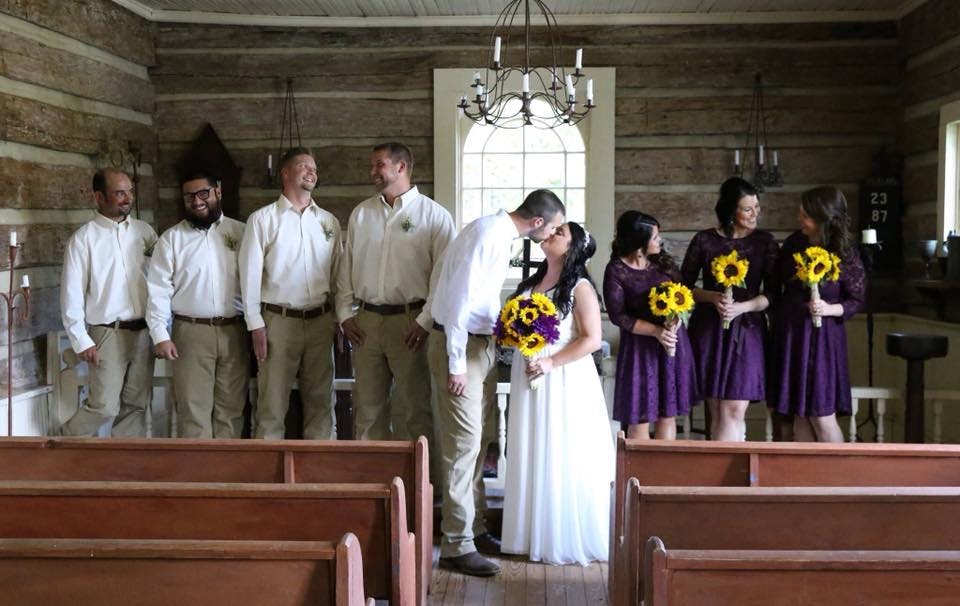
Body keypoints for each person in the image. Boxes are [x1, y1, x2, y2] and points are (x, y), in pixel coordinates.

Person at [428, 189, 565, 577]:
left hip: (481, 345)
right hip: (460, 350)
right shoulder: (488, 234)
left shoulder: (500, 234)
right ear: (537, 222)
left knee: (481, 440)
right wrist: (456, 364)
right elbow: (457, 302)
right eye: (553, 227)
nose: (553, 234)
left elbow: (478, 298)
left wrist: (502, 328)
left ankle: (475, 528)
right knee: (463, 445)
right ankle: (456, 544)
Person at [501, 222, 614, 565]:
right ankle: (527, 534)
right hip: (529, 372)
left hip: (564, 377)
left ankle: (559, 536)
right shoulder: (531, 285)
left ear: (573, 248)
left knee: (559, 448)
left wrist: (551, 362)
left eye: (559, 232)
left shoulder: (580, 288)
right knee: (531, 446)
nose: (550, 234)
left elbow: (592, 339)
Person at [336, 142, 455, 455]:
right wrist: (344, 314)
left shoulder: (434, 216)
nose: (372, 171)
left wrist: (424, 320)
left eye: (379, 164)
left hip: (411, 322)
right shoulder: (362, 214)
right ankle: (371, 478)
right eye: (372, 165)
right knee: (367, 409)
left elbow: (443, 277)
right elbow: (346, 267)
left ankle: (417, 480)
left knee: (413, 409)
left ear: (401, 167)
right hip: (366, 321)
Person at [239, 147, 342, 439]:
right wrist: (255, 323)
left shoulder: (328, 222)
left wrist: (340, 318)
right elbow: (249, 274)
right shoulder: (263, 220)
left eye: (314, 168)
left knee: (321, 402)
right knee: (272, 402)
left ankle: (318, 465)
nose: (312, 172)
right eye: (304, 166)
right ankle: (268, 466)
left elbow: (338, 275)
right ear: (285, 173)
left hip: (321, 320)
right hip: (278, 322)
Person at [147, 170, 249, 438]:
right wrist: (160, 335)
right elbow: (158, 290)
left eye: (203, 193)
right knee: (193, 410)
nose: (197, 201)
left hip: (235, 330)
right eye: (189, 196)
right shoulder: (172, 239)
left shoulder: (241, 232)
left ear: (218, 192)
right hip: (191, 332)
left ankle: (228, 464)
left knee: (232, 409)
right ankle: (198, 465)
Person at [60, 168, 157, 436]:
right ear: (99, 197)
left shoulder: (145, 232)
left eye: (130, 192)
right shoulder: (83, 239)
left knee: (136, 404)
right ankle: (63, 443)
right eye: (119, 193)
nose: (128, 198)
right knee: (103, 406)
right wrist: (81, 340)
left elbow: (159, 281)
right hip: (107, 334)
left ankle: (125, 459)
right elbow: (71, 294)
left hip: (144, 331)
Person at [680, 178, 778, 441]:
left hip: (748, 331)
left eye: (757, 207)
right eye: (747, 209)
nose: (755, 213)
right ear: (730, 211)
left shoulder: (765, 242)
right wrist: (711, 297)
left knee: (733, 409)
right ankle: (719, 465)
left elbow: (773, 294)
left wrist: (743, 307)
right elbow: (683, 287)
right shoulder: (704, 240)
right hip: (710, 330)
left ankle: (730, 467)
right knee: (716, 409)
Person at [769, 186, 865, 442]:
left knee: (822, 416)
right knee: (800, 415)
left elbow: (856, 299)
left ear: (825, 218)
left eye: (806, 216)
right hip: (794, 335)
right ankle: (807, 469)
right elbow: (777, 284)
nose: (799, 219)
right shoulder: (794, 244)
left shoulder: (844, 251)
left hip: (824, 340)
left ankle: (837, 469)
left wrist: (828, 309)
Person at [603, 211, 696, 440]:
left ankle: (665, 464)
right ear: (639, 244)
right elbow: (618, 316)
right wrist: (656, 331)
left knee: (668, 415)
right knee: (639, 417)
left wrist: (675, 322)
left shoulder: (663, 263)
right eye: (655, 237)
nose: (659, 241)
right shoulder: (616, 270)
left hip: (671, 343)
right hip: (639, 349)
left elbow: (684, 295)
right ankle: (640, 465)